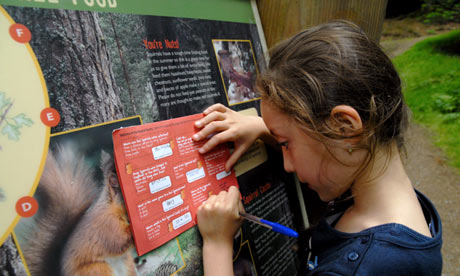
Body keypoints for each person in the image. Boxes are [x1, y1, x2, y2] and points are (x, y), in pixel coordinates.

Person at [193, 20, 442, 276]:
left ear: (344, 128)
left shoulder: (360, 268)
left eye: (285, 144)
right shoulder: (391, 200)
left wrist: (217, 245)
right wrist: (265, 129)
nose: (287, 164)